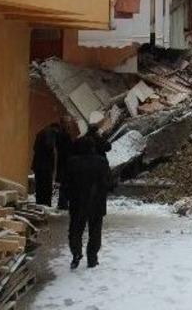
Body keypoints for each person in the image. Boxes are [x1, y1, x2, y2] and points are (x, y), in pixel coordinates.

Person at [66, 112, 112, 269]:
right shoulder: (101, 162)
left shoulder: (72, 163)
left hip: (77, 202)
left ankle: (76, 253)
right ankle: (92, 258)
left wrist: (67, 198)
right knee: (95, 231)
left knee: (75, 230)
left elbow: (66, 183)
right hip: (97, 202)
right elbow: (109, 181)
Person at [31, 122, 61, 206]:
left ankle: (39, 204)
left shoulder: (41, 132)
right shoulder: (51, 132)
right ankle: (46, 205)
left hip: (37, 165)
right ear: (56, 128)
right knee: (46, 187)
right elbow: (49, 146)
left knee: (39, 187)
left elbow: (34, 147)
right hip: (46, 166)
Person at [55, 116, 77, 210]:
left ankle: (63, 202)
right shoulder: (64, 135)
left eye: (70, 123)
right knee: (65, 183)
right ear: (63, 123)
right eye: (67, 123)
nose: (69, 125)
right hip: (65, 163)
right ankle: (63, 203)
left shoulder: (62, 134)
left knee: (64, 183)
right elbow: (67, 149)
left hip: (64, 162)